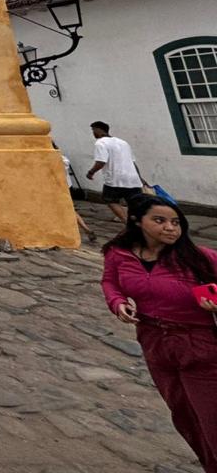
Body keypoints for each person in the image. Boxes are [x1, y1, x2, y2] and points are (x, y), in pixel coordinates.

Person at [101, 194, 217, 472]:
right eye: (160, 220)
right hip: (155, 344)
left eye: (176, 222)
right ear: (136, 221)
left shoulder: (196, 257)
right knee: (185, 417)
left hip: (198, 345)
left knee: (213, 419)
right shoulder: (119, 254)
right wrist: (117, 303)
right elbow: (109, 281)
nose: (170, 228)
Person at [85, 121, 139, 222]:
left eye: (93, 130)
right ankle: (135, 220)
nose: (93, 133)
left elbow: (101, 161)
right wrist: (139, 177)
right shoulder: (123, 142)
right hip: (132, 178)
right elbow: (133, 162)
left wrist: (91, 172)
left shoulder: (100, 143)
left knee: (109, 200)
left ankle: (125, 220)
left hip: (115, 178)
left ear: (99, 130)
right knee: (133, 202)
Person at [57, 147, 96, 243]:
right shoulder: (63, 159)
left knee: (64, 210)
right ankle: (85, 228)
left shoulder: (51, 159)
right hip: (66, 186)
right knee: (69, 210)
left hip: (57, 188)